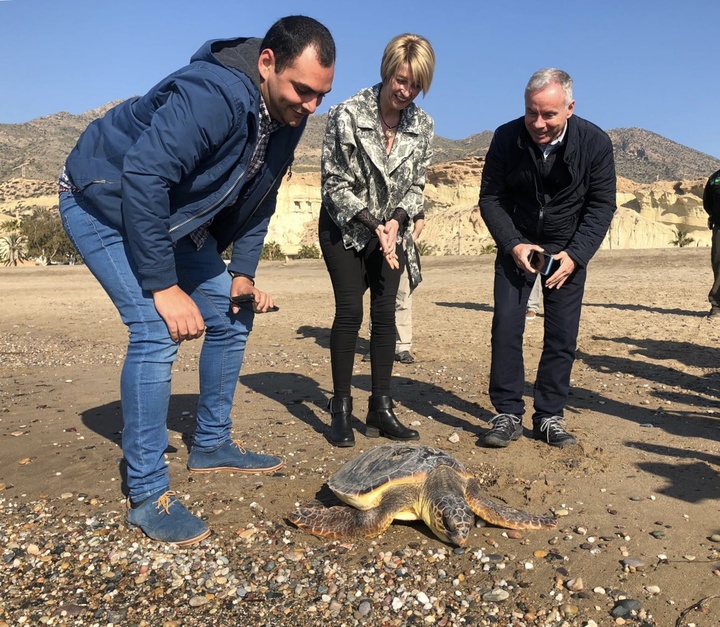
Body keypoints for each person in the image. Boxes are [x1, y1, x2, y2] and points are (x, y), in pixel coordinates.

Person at [58, 16, 335, 546]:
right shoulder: (215, 94)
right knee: (154, 328)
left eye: (321, 95)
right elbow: (143, 176)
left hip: (169, 220)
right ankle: (146, 493)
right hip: (103, 202)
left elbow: (262, 197)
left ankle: (210, 443)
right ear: (267, 62)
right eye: (303, 91)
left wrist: (243, 274)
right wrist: (164, 287)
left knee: (235, 312)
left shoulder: (288, 114)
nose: (310, 106)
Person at [479, 68, 616, 448]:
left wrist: (576, 255)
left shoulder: (595, 143)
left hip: (567, 247)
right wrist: (513, 244)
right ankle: (507, 412)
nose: (538, 123)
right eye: (531, 113)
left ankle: (549, 416)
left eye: (548, 115)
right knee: (506, 326)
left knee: (561, 335)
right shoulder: (506, 138)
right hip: (518, 242)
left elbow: (602, 206)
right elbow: (490, 199)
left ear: (569, 108)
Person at [319, 33, 435, 447]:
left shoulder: (423, 126)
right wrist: (374, 224)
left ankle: (381, 408)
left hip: (391, 230)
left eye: (416, 84)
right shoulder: (347, 114)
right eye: (401, 80)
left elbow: (416, 187)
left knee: (385, 314)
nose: (406, 91)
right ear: (387, 71)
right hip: (346, 227)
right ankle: (342, 407)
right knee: (350, 310)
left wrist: (396, 222)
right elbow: (333, 184)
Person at [362, 211, 425, 363]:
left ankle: (402, 347)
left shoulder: (408, 192)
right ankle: (377, 345)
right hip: (379, 247)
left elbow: (420, 218)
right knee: (379, 298)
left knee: (403, 298)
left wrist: (411, 239)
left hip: (403, 248)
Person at [703, 168, 720, 318]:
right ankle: (716, 305)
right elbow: (707, 202)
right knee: (718, 264)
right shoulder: (715, 178)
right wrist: (713, 217)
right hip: (719, 227)